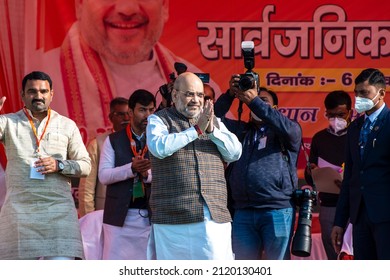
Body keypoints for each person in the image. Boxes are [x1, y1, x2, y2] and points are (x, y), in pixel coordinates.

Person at [28, 0, 220, 144]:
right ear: (79, 4)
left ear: (165, 6)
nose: (126, 9)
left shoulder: (199, 84)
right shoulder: (42, 81)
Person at [146, 72, 242, 260]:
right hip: (172, 219)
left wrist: (211, 130)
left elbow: (235, 152)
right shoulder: (158, 120)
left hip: (213, 217)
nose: (196, 100)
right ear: (174, 95)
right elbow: (159, 147)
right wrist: (196, 130)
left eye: (200, 95)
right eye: (189, 94)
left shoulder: (213, 121)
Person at [0, 71, 91, 260]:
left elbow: (85, 166)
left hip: (59, 213)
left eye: (43, 91)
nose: (38, 96)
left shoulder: (67, 125)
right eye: (32, 91)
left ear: (52, 94)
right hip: (20, 212)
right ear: (22, 94)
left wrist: (59, 165)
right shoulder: (8, 122)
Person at [214, 78, 302, 260]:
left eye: (264, 101)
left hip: (276, 210)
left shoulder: (287, 131)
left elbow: (290, 130)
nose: (258, 104)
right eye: (255, 100)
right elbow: (214, 118)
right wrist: (231, 94)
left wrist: (254, 101)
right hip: (243, 212)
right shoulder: (242, 131)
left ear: (274, 109)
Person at [331, 68, 390, 259]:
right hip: (359, 216)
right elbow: (351, 176)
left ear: (381, 93)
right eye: (356, 93)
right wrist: (340, 221)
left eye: (364, 93)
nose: (358, 98)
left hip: (385, 216)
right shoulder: (355, 127)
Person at [98, 89, 156, 260]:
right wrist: (131, 168)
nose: (148, 115)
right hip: (119, 218)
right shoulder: (113, 140)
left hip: (150, 217)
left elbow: (168, 174)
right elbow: (104, 176)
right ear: (131, 112)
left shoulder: (158, 139)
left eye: (151, 110)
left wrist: (146, 174)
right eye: (142, 110)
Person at [304, 90, 352, 260]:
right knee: (331, 247)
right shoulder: (319, 138)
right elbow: (310, 176)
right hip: (329, 203)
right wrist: (312, 171)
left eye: (341, 114)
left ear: (350, 113)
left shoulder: (358, 135)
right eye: (331, 115)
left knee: (354, 250)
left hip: (354, 204)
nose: (336, 119)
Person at [78, 97, 130, 217]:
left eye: (129, 114)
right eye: (121, 114)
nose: (126, 118)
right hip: (104, 214)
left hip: (133, 215)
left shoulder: (140, 142)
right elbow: (87, 188)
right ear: (111, 117)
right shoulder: (97, 144)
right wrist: (90, 218)